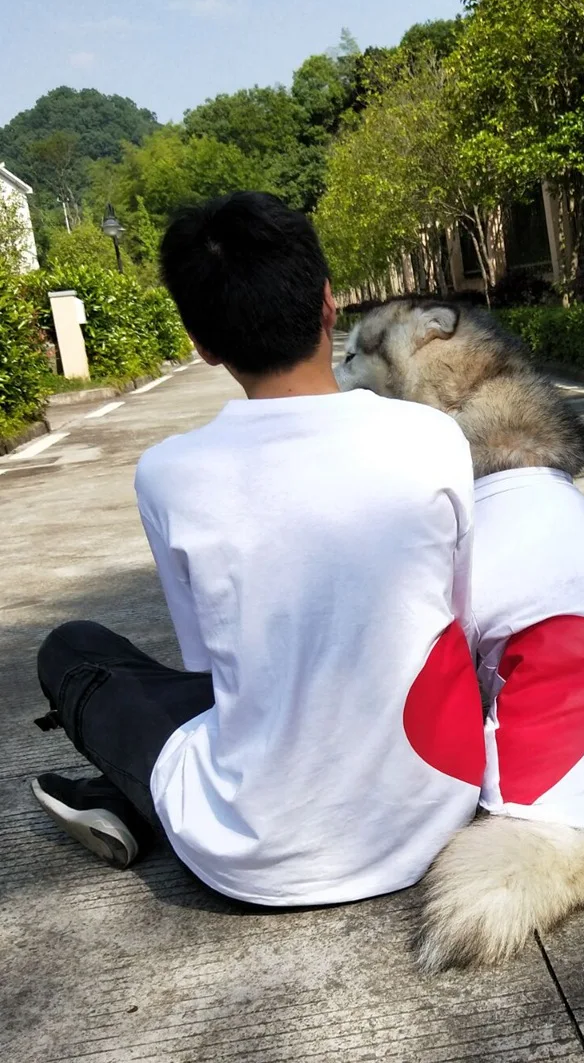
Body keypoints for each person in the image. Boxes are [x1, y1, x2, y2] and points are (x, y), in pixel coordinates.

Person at [30, 191, 485, 906]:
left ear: (202, 344)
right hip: (436, 812)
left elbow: (209, 668)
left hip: (256, 859)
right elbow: (456, 611)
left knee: (72, 648)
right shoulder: (431, 438)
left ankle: (137, 799)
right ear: (329, 302)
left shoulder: (170, 474)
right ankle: (132, 798)